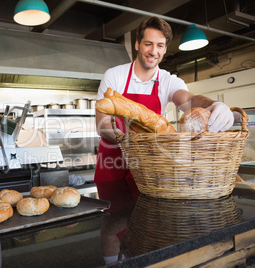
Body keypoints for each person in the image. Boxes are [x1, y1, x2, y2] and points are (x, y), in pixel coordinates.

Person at [94, 16, 234, 264]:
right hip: (113, 166)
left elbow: (188, 100)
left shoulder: (169, 80)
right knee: (112, 223)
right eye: (148, 44)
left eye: (160, 46)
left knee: (150, 224)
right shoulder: (114, 76)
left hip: (150, 168)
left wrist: (213, 105)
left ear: (165, 49)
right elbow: (102, 123)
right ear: (137, 44)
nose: (153, 51)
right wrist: (125, 136)